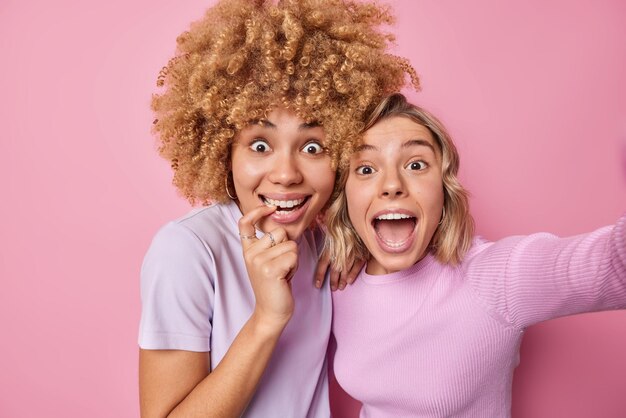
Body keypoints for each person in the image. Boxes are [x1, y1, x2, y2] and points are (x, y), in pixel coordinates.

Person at [137, 1, 419, 417]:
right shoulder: (188, 249)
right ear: (222, 151)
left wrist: (352, 243)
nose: (285, 174)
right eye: (260, 145)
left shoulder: (326, 247)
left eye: (312, 147)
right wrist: (268, 318)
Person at [324, 93, 626, 418]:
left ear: (443, 187)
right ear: (345, 194)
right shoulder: (339, 280)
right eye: (366, 168)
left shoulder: (492, 276)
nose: (392, 184)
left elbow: (613, 266)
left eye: (416, 164)